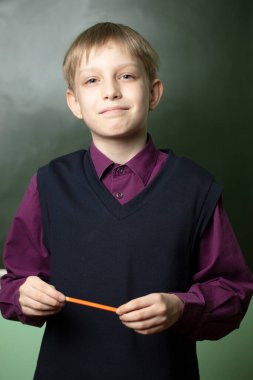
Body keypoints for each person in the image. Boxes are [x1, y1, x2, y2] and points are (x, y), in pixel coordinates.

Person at [0, 22, 252, 380]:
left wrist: (181, 306)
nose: (111, 92)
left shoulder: (196, 187)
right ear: (74, 102)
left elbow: (232, 292)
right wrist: (25, 296)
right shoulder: (48, 183)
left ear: (153, 93)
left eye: (127, 76)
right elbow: (14, 283)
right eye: (92, 81)